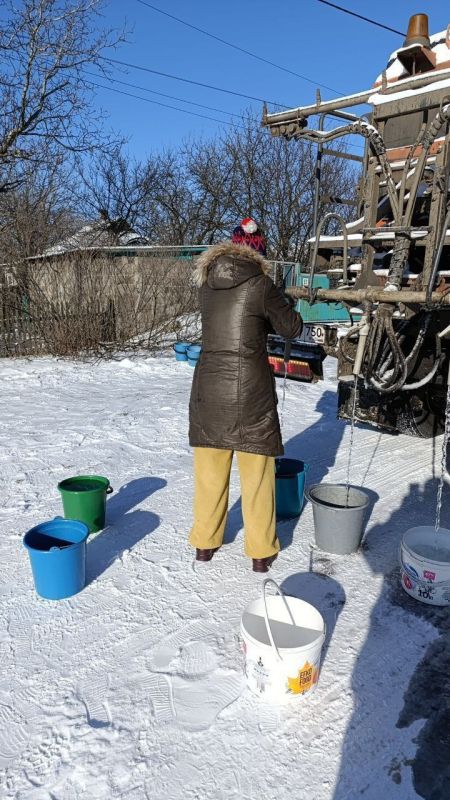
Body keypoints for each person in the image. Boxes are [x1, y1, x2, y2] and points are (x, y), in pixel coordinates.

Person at [188, 218, 302, 572]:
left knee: (209, 475)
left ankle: (205, 543)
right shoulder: (262, 285)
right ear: (259, 254)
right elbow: (291, 328)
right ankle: (261, 552)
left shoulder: (207, 285)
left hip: (209, 389)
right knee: (257, 477)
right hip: (251, 392)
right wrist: (283, 302)